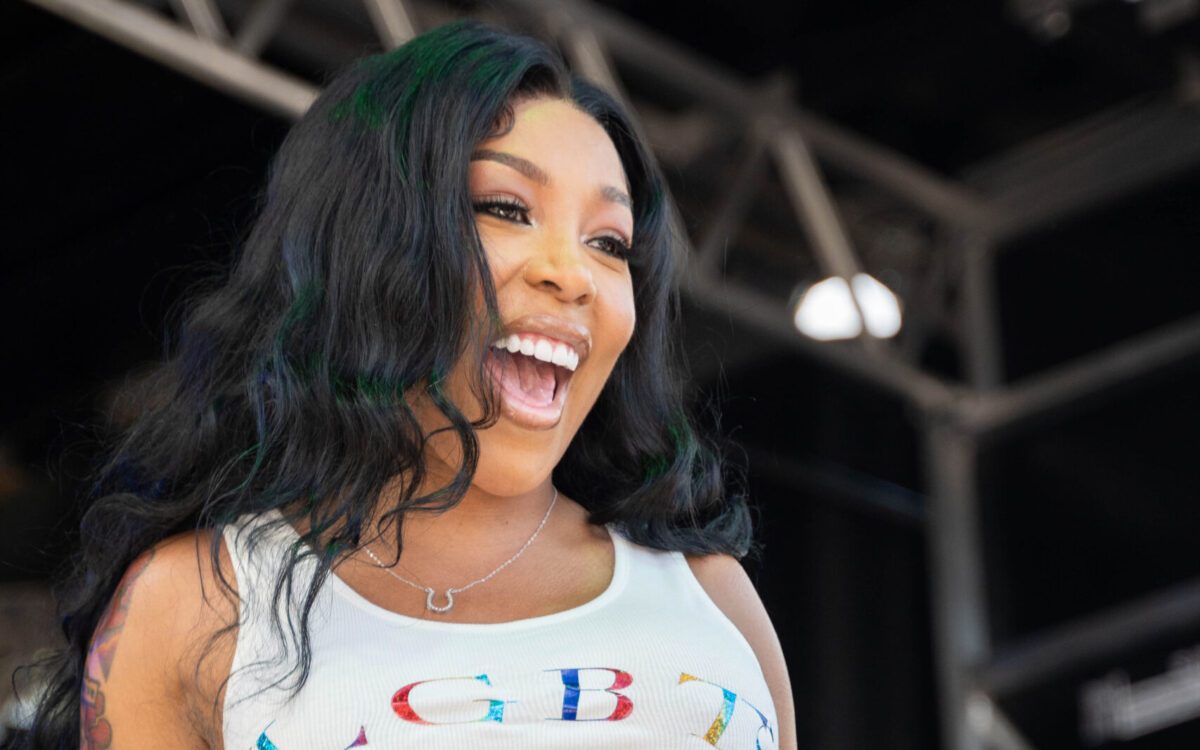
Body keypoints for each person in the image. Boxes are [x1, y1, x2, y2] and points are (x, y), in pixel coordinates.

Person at [26, 21, 795, 750]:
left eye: (608, 242)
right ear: (366, 245)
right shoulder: (199, 602)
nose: (573, 275)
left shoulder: (709, 599)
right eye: (504, 208)